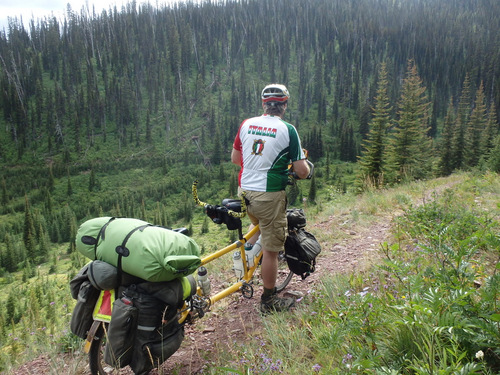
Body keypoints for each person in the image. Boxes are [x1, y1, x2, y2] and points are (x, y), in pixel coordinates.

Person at [231, 83, 311, 313]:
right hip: (269, 196)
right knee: (272, 250)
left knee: (257, 223)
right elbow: (303, 171)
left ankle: (244, 259)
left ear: (264, 105)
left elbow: (236, 159)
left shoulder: (246, 124)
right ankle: (268, 300)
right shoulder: (288, 129)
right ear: (284, 105)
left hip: (244, 191)